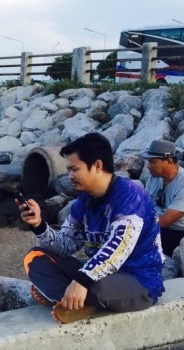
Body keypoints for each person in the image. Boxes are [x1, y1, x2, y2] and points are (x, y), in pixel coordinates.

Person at [18, 132, 164, 324]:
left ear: (97, 166)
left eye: (74, 169)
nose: (69, 176)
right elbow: (66, 245)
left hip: (138, 280)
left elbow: (118, 248)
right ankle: (74, 301)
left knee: (96, 286)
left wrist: (81, 280)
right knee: (35, 257)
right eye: (69, 170)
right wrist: (38, 225)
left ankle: (69, 297)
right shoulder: (83, 202)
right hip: (99, 273)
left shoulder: (130, 195)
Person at [142, 139, 184, 255]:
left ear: (169, 161)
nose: (148, 166)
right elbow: (144, 204)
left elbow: (166, 221)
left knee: (138, 240)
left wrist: (138, 226)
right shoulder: (155, 177)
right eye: (148, 162)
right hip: (160, 225)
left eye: (153, 162)